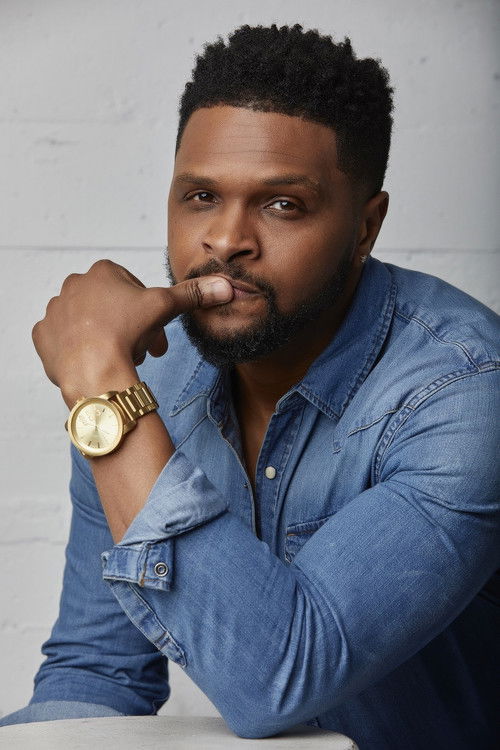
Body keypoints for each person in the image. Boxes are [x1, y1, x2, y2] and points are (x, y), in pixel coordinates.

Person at [1, 23, 498, 749]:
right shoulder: (146, 372)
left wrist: (101, 387)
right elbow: (98, 676)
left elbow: (280, 676)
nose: (226, 239)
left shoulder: (465, 396)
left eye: (282, 204)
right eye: (201, 195)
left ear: (366, 226)